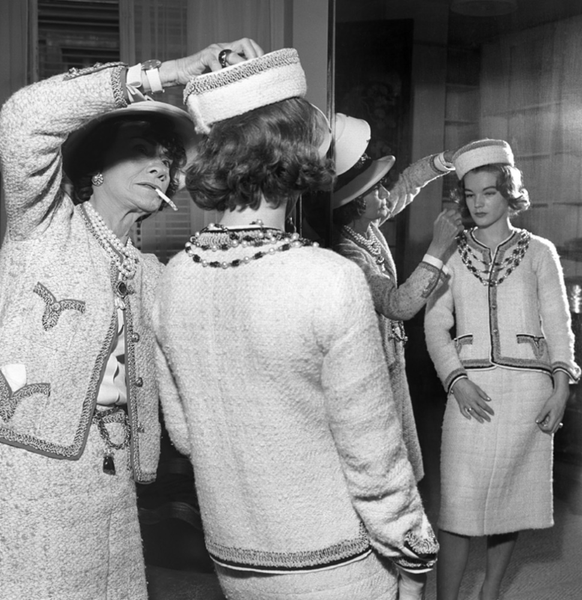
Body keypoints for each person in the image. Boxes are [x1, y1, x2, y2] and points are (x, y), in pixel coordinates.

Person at [154, 48, 438, 600]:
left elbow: (186, 433)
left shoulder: (173, 277)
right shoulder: (328, 278)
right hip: (334, 559)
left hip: (233, 554)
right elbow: (373, 453)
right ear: (296, 153)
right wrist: (413, 549)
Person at [0, 38, 263, 600]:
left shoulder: (152, 274)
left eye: (167, 160)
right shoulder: (43, 230)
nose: (160, 167)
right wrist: (167, 74)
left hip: (115, 481)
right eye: (141, 150)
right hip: (27, 480)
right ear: (97, 168)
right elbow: (22, 118)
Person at [424, 139, 581, 600]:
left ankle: (490, 592)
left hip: (527, 392)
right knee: (457, 509)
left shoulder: (539, 252)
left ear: (509, 193)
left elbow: (559, 324)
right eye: (470, 194)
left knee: (509, 503)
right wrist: (455, 380)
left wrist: (561, 387)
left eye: (488, 193)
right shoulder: (450, 252)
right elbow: (434, 324)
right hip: (470, 390)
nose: (478, 204)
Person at [331, 118, 462, 599]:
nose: (387, 197)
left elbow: (407, 184)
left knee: (402, 467)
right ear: (355, 204)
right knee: (384, 475)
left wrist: (445, 161)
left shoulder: (365, 227)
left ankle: (396, 565)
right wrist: (438, 250)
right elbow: (399, 304)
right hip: (370, 377)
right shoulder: (349, 252)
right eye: (376, 192)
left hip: (391, 368)